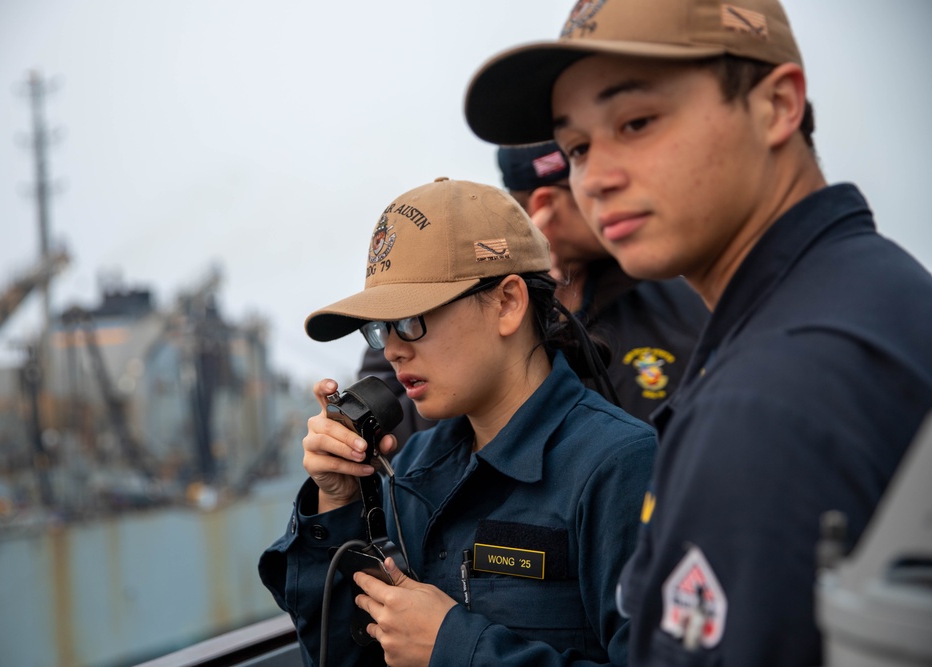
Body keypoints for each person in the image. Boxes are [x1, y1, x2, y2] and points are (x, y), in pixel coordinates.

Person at [463, 0, 932, 665]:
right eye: (577, 147)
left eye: (637, 121)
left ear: (776, 106)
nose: (597, 177)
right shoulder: (875, 288)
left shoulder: (763, 402)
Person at [259, 176, 657, 667]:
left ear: (508, 303)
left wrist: (454, 646)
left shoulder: (619, 466)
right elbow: (343, 659)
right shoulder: (416, 469)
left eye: (411, 319)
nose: (396, 349)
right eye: (380, 330)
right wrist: (337, 503)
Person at [498, 141, 707, 422]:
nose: (625, 192)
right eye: (594, 189)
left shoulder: (686, 302)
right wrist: (533, 312)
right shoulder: (478, 333)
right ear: (545, 204)